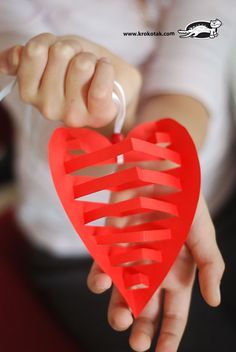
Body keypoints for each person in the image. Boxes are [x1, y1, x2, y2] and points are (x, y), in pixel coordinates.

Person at [0, 1, 235, 351]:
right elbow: (49, 123)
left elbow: (197, 54)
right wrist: (99, 109)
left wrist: (162, 164)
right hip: (81, 249)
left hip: (218, 191)